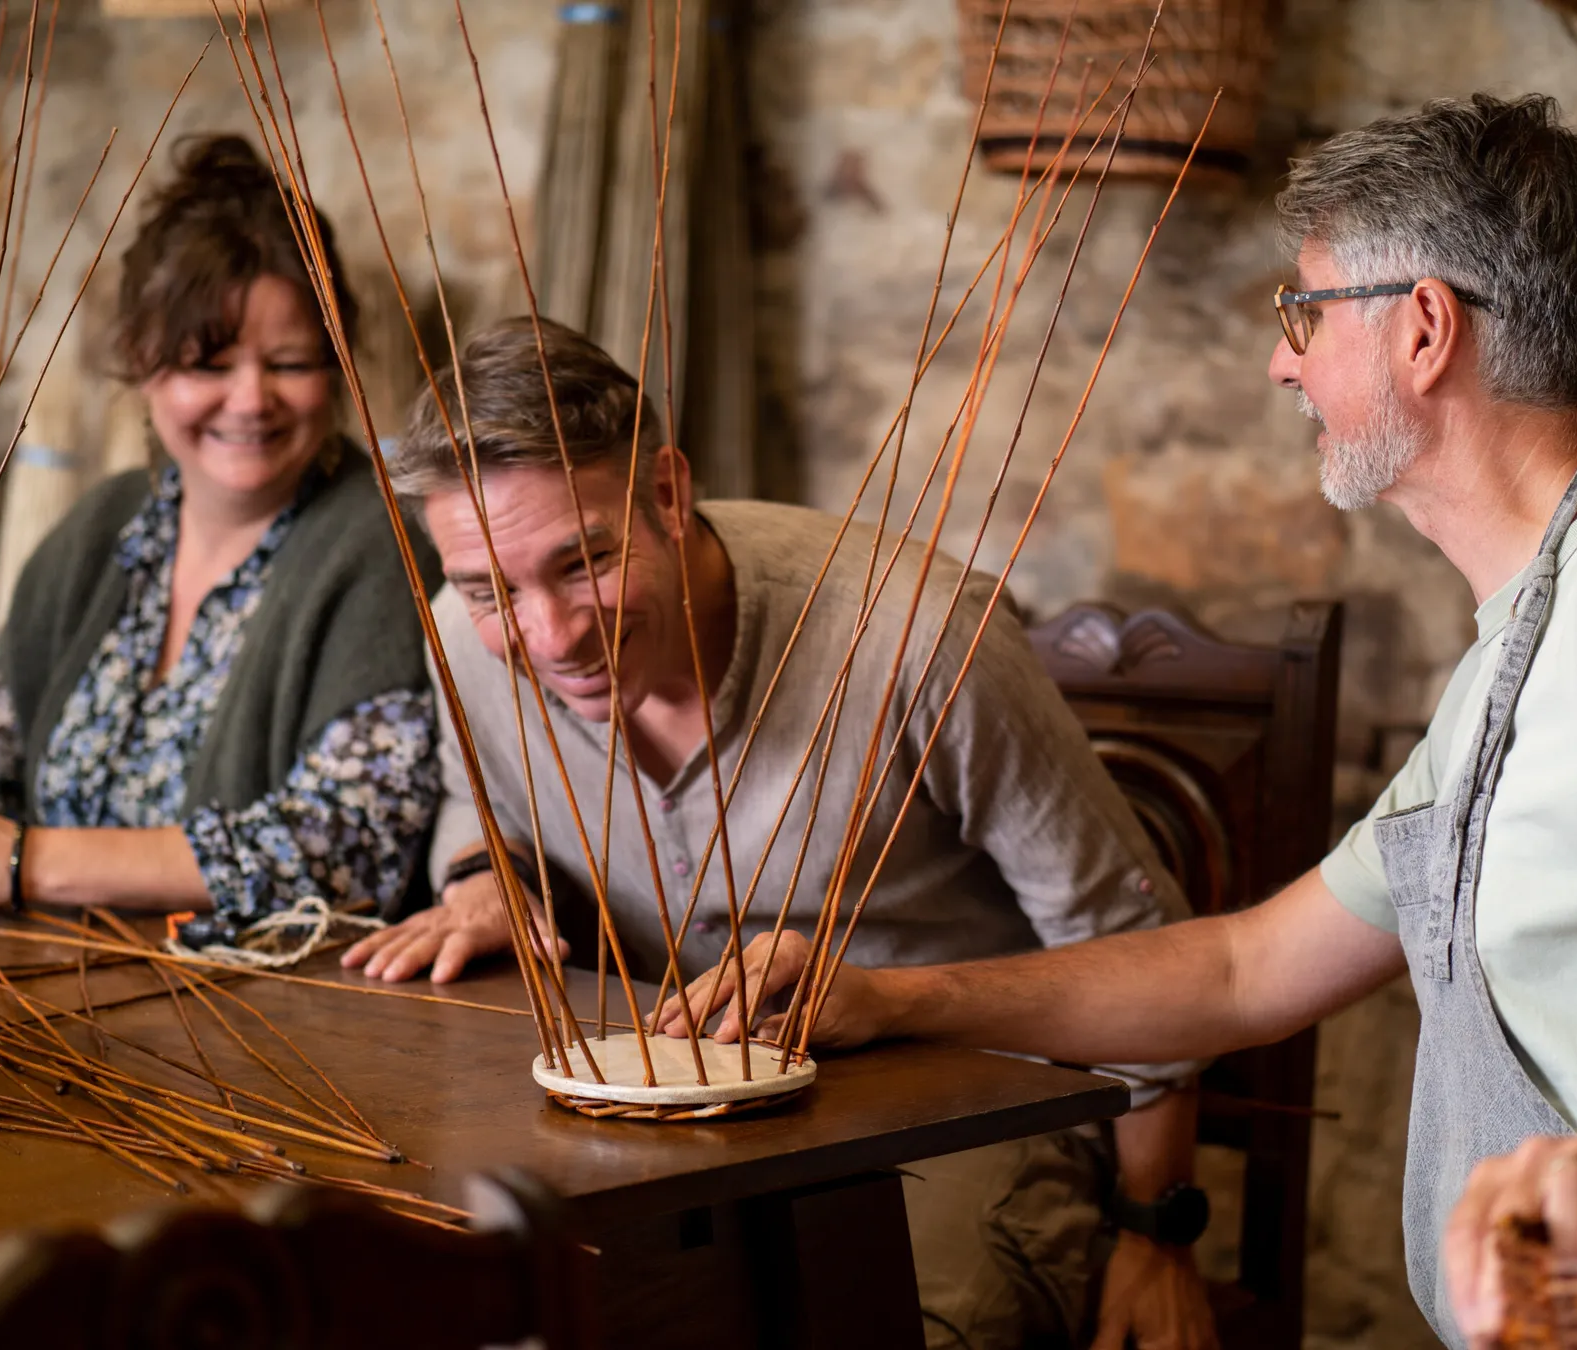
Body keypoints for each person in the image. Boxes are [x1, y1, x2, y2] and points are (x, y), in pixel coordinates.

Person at [672, 92, 1577, 1350]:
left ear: (1423, 332)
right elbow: (1244, 970)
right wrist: (887, 998)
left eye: (1306, 312)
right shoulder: (1525, 640)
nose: (1283, 360)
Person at [343, 317, 1215, 1350]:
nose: (548, 636)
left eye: (583, 564)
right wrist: (487, 876)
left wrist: (1156, 1234)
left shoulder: (919, 635)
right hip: (657, 1110)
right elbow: (475, 797)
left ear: (668, 492)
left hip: (950, 1101)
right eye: (493, 589)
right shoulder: (461, 633)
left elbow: (1133, 941)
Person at [0, 134, 441, 934]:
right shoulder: (97, 530)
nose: (250, 400)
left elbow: (346, 847)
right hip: (51, 988)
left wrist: (31, 862)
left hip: (279, 1023)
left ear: (338, 364)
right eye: (209, 365)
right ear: (142, 360)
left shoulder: (388, 541)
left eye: (292, 362)